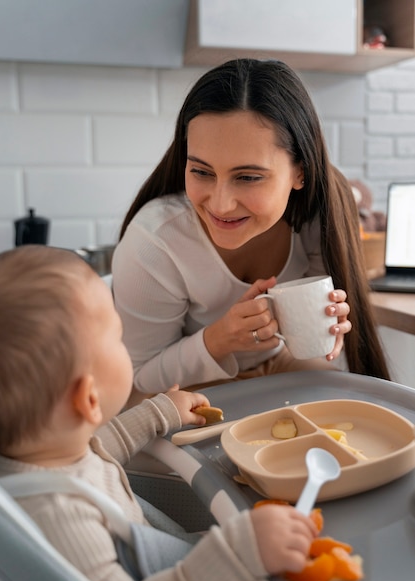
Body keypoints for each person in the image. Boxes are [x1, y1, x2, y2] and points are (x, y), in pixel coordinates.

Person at [0, 245, 318, 581]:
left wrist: (157, 413)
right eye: (118, 338)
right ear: (89, 398)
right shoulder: (60, 518)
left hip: (170, 568)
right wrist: (235, 554)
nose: (125, 344)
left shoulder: (44, 452)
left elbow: (101, 448)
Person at [113, 58, 390, 404]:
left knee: (356, 411)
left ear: (299, 173)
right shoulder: (155, 242)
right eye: (201, 171)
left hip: (275, 361)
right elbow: (140, 376)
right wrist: (217, 340)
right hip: (178, 390)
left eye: (247, 177)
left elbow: (307, 350)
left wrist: (324, 327)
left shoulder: (318, 218)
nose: (221, 204)